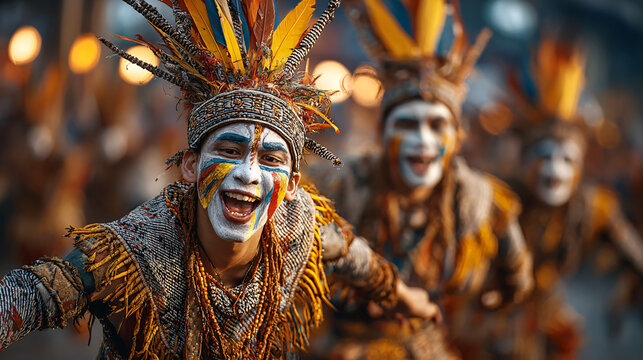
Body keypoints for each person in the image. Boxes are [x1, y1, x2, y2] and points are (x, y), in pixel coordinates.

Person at [0, 0, 437, 358]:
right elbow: (33, 294)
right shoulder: (137, 251)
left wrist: (407, 298)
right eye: (229, 151)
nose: (249, 173)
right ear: (190, 166)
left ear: (294, 185)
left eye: (270, 158)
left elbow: (356, 258)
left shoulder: (301, 229)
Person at [305, 0, 533, 358]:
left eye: (437, 125)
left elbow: (516, 272)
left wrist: (502, 296)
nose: (423, 140)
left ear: (456, 138)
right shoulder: (339, 183)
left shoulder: (478, 198)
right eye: (407, 124)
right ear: (382, 133)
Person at [476, 38, 643, 360]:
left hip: (549, 319)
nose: (554, 170)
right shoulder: (497, 199)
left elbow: (633, 256)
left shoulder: (593, 207)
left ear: (580, 167)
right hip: (489, 315)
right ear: (524, 162)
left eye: (567, 160)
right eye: (544, 157)